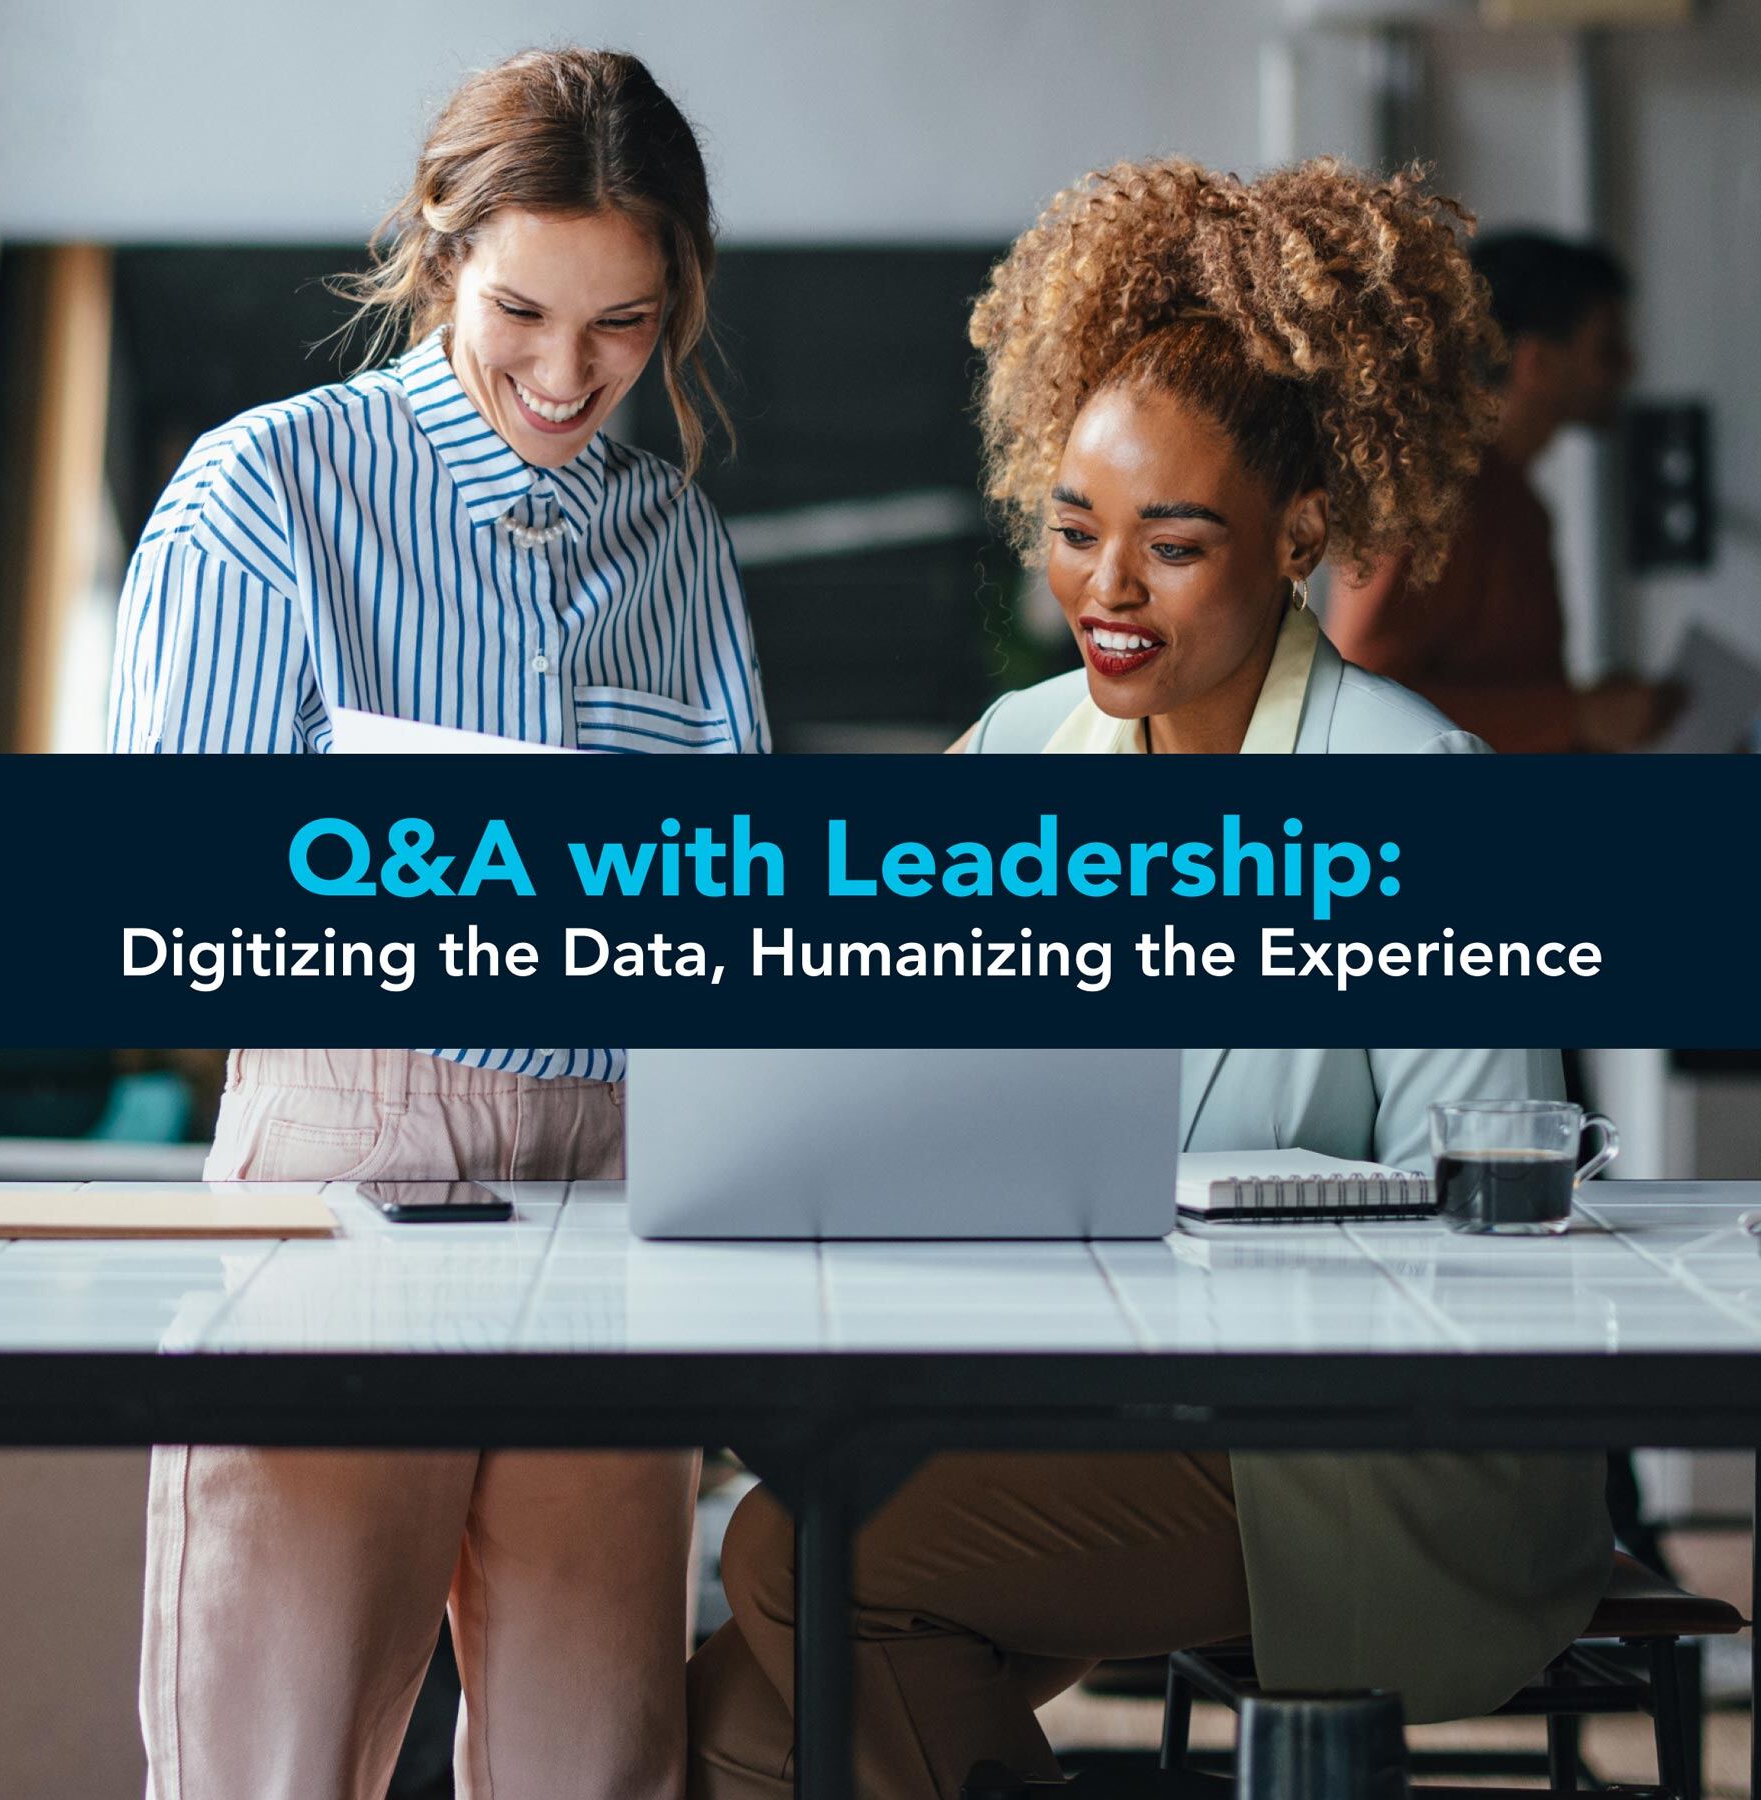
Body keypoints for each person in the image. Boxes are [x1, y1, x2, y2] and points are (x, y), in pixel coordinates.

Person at [685, 157, 1611, 1799]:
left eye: (1172, 547)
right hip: (1069, 1399)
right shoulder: (1012, 760)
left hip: (1337, 1447)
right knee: (728, 1732)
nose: (1104, 593)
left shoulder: (1421, 796)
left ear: (1301, 533)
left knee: (800, 1566)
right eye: (1074, 529)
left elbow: (1495, 1229)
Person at [107, 47, 767, 1800]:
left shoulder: (676, 540)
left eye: (624, 324)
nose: (569, 375)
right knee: (276, 1760)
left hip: (616, 1173)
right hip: (352, 1142)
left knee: (595, 1763)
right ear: (436, 248)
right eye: (524, 311)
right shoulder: (268, 494)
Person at [1325, 230, 1673, 751]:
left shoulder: (1517, 503)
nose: (1629, 367)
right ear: (1537, 364)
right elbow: (1357, 704)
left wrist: (1600, 713)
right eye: (1606, 348)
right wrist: (1572, 716)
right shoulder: (1433, 499)